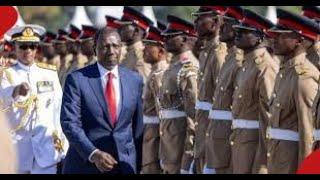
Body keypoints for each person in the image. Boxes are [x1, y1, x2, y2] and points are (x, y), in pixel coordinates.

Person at [61, 27, 144, 174]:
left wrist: (137, 164)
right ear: (95, 49)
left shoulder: (134, 80)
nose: (111, 51)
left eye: (115, 46)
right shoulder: (77, 80)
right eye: (105, 46)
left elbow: (137, 128)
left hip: (123, 165)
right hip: (86, 164)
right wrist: (94, 154)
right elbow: (70, 123)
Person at [0, 24, 68, 174]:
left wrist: (62, 141)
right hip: (18, 151)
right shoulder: (6, 74)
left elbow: (58, 109)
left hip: (46, 150)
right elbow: (3, 98)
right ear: (15, 47)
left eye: (32, 46)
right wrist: (16, 91)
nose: (28, 51)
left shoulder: (49, 73)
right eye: (23, 46)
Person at [266, 9, 320, 174]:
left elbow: (307, 133)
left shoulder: (302, 77)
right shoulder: (285, 71)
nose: (274, 39)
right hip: (277, 160)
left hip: (291, 165)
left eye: (281, 35)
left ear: (299, 40)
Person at [230, 9, 279, 174]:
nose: (238, 34)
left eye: (245, 32)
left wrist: (263, 161)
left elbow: (268, 116)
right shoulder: (248, 63)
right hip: (240, 143)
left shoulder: (264, 66)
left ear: (260, 37)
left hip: (255, 148)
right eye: (238, 30)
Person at [204, 6, 244, 174]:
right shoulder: (229, 58)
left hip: (230, 143)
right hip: (217, 140)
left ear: (237, 29)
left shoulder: (238, 61)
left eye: (226, 24)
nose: (221, 28)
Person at [159, 15, 199, 174]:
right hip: (170, 144)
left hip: (181, 146)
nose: (165, 39)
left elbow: (193, 117)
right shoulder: (175, 66)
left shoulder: (188, 68)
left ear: (183, 39)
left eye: (170, 36)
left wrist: (188, 154)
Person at [191, 6, 228, 174]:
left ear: (215, 21)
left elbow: (223, 101)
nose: (195, 23)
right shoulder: (207, 51)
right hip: (203, 131)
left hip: (214, 135)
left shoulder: (220, 53)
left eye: (200, 18)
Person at [141, 26, 169, 174]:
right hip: (149, 133)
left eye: (149, 46)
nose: (143, 50)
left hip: (156, 136)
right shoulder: (154, 71)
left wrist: (164, 146)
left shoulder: (160, 73)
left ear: (161, 50)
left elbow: (162, 113)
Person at [117, 6, 153, 83]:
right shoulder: (129, 53)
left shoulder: (141, 57)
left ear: (136, 31)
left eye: (123, 27)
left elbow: (144, 89)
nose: (119, 30)